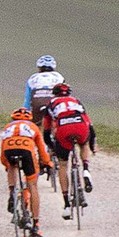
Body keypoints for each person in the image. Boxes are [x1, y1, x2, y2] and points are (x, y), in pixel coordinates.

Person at [42, 83, 95, 219]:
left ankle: (66, 204)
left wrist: (53, 148)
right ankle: (86, 169)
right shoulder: (76, 101)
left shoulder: (51, 103)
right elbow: (90, 126)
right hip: (80, 125)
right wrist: (92, 144)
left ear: (54, 93)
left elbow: (46, 132)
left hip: (64, 129)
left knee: (63, 164)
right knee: (83, 145)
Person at [0, 109, 49, 237]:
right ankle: (36, 225)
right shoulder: (33, 127)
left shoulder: (8, 127)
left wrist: (6, 165)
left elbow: (2, 156)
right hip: (26, 151)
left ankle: (12, 193)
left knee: (11, 166)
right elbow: (42, 150)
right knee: (32, 184)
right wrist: (48, 163)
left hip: (9, 150)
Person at [24, 55, 66, 123]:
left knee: (36, 126)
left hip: (37, 106)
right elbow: (65, 96)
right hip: (54, 106)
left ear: (39, 67)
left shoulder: (32, 78)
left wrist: (25, 116)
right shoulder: (59, 77)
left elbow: (27, 101)